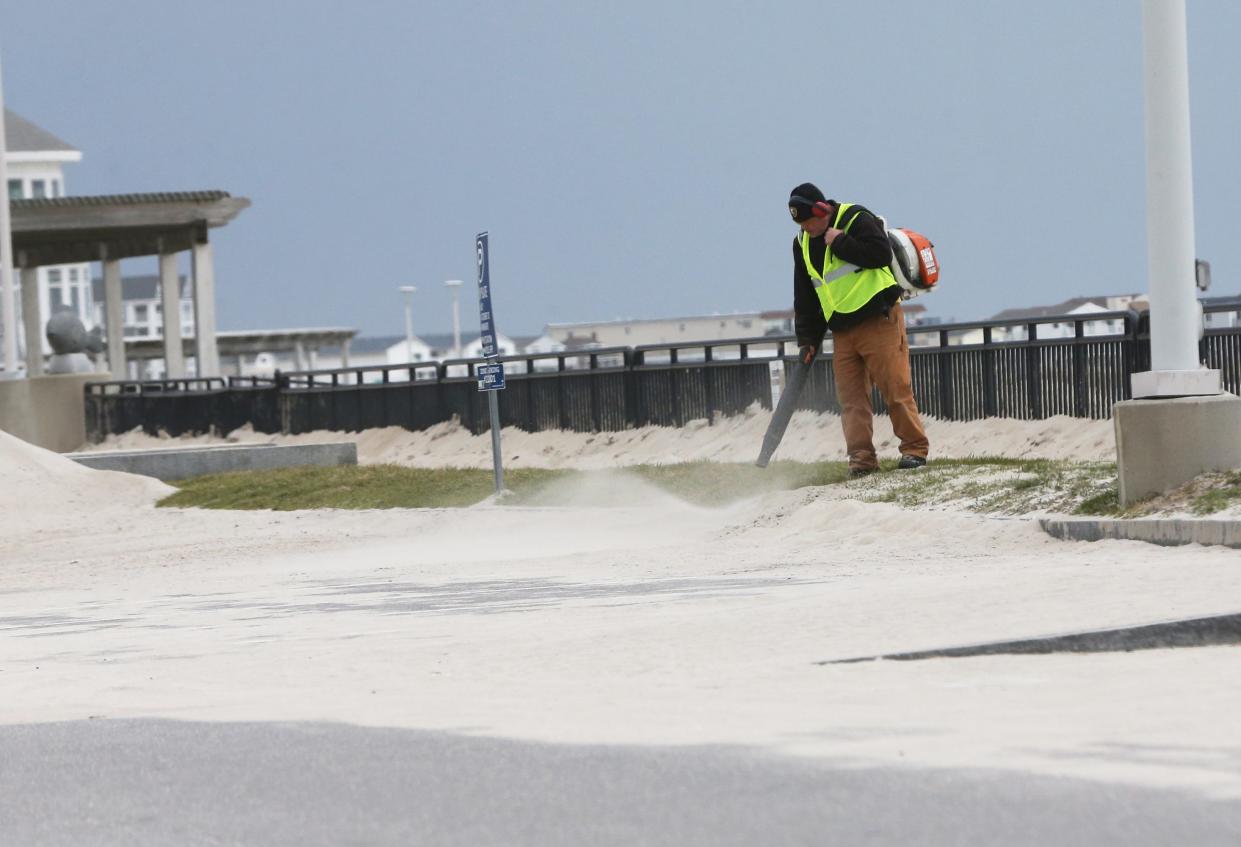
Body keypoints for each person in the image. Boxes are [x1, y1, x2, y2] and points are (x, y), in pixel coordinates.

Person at [787, 182, 930, 477]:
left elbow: (880, 254)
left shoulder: (854, 218)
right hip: (842, 331)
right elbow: (805, 295)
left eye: (809, 220)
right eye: (800, 223)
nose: (806, 228)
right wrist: (807, 338)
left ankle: (914, 449)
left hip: (879, 318)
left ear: (821, 210)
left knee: (895, 388)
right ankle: (862, 460)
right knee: (851, 400)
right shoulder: (800, 243)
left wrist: (840, 242)